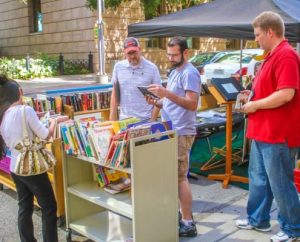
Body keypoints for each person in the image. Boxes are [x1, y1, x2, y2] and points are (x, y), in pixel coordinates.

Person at [235, 11, 300, 242]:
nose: (256, 39)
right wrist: (251, 97)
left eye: (258, 34)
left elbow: (286, 94)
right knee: (260, 180)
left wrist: (254, 105)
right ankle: (258, 219)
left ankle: (293, 229)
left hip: (277, 133)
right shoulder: (273, 55)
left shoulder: (286, 55)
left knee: (281, 184)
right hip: (264, 132)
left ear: (270, 32)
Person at [146, 36, 201, 237]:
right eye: (168, 54)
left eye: (174, 55)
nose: (170, 58)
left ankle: (188, 222)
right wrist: (157, 102)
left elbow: (191, 104)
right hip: (171, 129)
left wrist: (165, 94)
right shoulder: (176, 70)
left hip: (181, 131)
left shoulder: (190, 73)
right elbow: (173, 102)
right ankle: (181, 215)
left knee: (179, 177)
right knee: (175, 176)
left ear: (185, 53)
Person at [0, 75, 58, 242]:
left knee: (24, 206)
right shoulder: (26, 110)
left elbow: (19, 128)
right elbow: (46, 135)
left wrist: (36, 116)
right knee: (49, 207)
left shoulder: (3, 114)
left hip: (15, 167)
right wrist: (53, 122)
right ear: (20, 92)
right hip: (31, 168)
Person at [109, 37, 161, 121]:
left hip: (145, 119)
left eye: (135, 52)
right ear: (124, 53)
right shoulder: (118, 67)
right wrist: (112, 121)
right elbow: (114, 95)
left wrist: (152, 121)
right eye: (129, 53)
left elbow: (159, 97)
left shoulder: (152, 68)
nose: (133, 56)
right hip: (124, 120)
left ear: (140, 50)